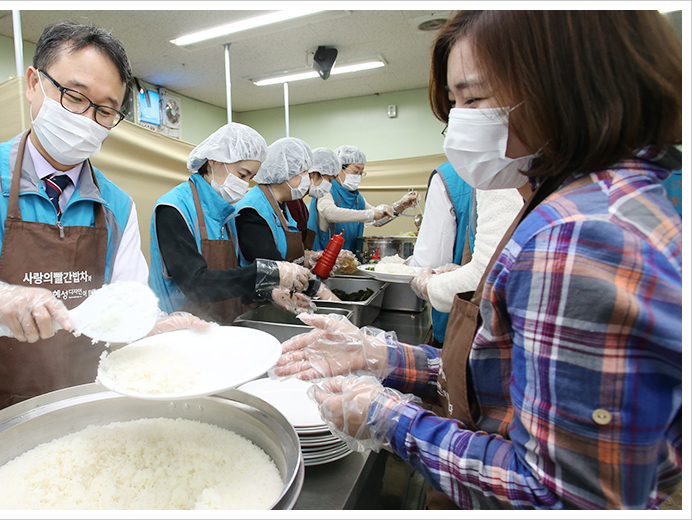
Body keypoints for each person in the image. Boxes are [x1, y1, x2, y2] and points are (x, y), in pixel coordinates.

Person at [272, 10, 681, 509]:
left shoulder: (578, 238)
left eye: (474, 99)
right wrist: (380, 356)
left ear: (565, 85)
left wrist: (388, 416)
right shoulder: (581, 201)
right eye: (454, 105)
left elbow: (563, 497)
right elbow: (507, 381)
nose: (459, 123)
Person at [0, 22, 189, 448]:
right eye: (74, 96)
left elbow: (129, 304)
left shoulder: (116, 206)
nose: (86, 120)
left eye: (104, 111)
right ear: (33, 84)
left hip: (87, 415)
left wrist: (159, 327)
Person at [149, 124, 313, 325]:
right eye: (242, 175)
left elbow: (231, 280)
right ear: (214, 160)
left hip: (220, 325)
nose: (244, 184)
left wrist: (270, 293)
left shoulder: (227, 215)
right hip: (179, 329)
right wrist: (266, 271)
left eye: (250, 178)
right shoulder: (173, 208)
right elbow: (196, 284)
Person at [406, 163, 524, 346]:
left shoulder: (451, 176)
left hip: (467, 323)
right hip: (513, 325)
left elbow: (429, 262)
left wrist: (426, 285)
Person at [234, 137, 339, 302]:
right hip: (259, 300)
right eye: (303, 172)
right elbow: (272, 263)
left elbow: (283, 252)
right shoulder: (252, 210)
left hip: (284, 294)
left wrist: (305, 258)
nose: (307, 178)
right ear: (285, 172)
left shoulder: (281, 205)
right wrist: (318, 289)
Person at [308, 145, 418, 254]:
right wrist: (371, 214)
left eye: (361, 173)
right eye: (355, 171)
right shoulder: (325, 189)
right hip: (323, 258)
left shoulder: (356, 197)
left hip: (347, 260)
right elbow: (329, 212)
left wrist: (400, 206)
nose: (358, 176)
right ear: (339, 168)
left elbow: (377, 220)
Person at [284, 146, 340, 250]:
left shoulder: (301, 205)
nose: (329, 185)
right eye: (329, 180)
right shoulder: (289, 203)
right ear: (313, 174)